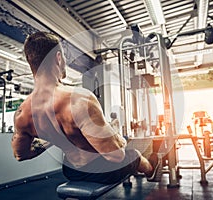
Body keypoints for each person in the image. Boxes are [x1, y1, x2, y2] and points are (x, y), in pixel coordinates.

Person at [11, 31, 162, 184]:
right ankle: (151, 171)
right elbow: (116, 156)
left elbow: (20, 155)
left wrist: (53, 138)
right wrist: (117, 136)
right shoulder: (79, 99)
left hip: (71, 171)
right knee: (134, 154)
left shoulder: (22, 113)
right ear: (58, 58)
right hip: (103, 171)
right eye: (63, 57)